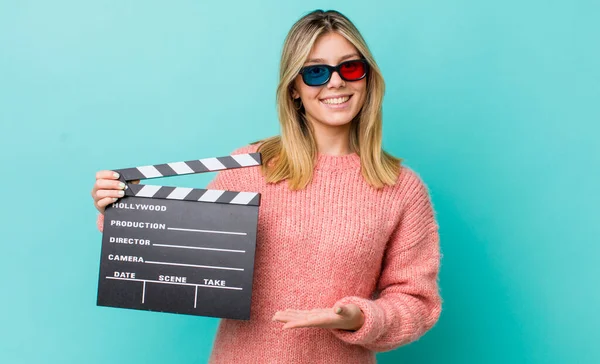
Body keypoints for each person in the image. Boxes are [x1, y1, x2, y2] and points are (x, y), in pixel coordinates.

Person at [91, 9, 442, 364]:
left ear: (367, 78)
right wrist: (123, 211)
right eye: (316, 72)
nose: (335, 83)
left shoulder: (401, 189)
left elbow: (416, 302)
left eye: (350, 67)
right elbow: (182, 249)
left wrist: (360, 317)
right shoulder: (248, 167)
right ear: (294, 88)